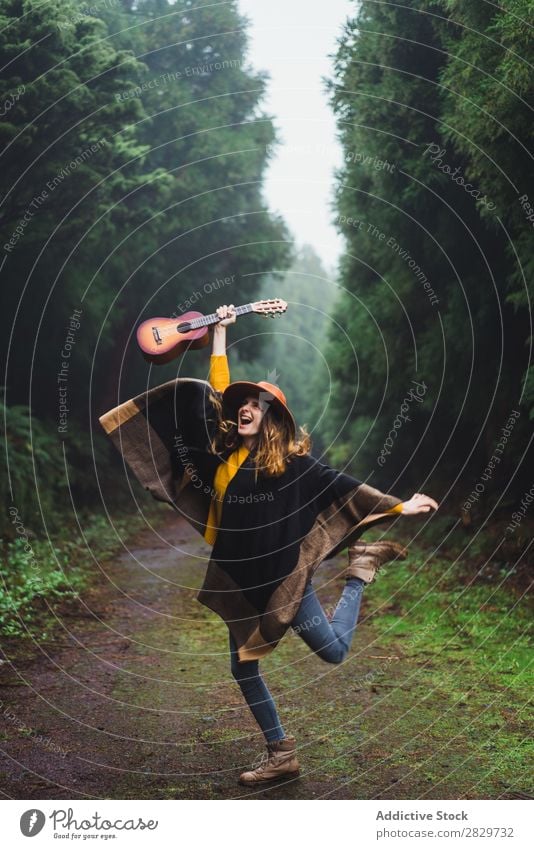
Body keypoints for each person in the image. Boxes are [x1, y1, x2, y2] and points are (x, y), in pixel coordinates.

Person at [98, 303, 438, 787]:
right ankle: (282, 753)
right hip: (240, 572)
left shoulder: (291, 467)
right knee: (243, 670)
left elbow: (341, 486)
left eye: (257, 404)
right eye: (244, 403)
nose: (246, 407)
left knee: (334, 653)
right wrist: (219, 335)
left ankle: (360, 573)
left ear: (273, 418)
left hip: (280, 577)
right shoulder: (224, 454)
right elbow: (218, 393)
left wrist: (400, 506)